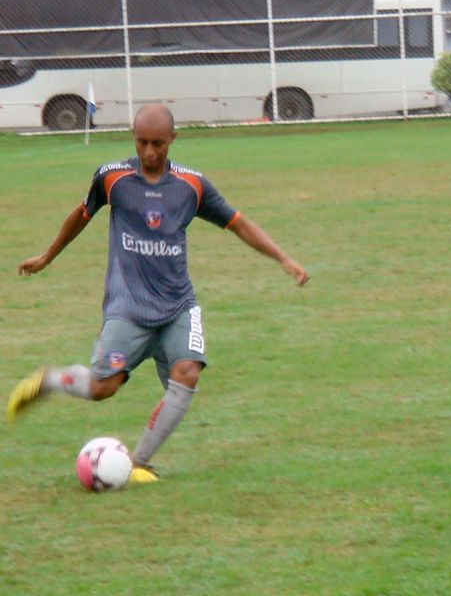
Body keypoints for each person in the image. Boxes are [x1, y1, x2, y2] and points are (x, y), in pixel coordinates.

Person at [8, 103, 309, 481]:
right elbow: (82, 213)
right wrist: (48, 256)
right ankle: (50, 380)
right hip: (127, 307)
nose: (149, 152)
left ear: (173, 140)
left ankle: (138, 463)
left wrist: (283, 258)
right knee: (103, 388)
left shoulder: (191, 185)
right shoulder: (112, 177)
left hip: (178, 304)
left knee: (187, 374)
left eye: (158, 144)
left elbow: (238, 223)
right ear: (133, 138)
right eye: (142, 143)